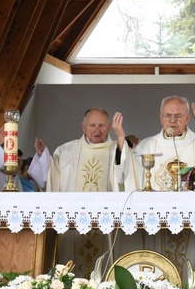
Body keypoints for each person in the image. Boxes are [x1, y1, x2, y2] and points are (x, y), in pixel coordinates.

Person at [116, 96, 195, 289]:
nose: (172, 121)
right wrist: (121, 141)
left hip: (193, 227)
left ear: (188, 118)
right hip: (158, 227)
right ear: (160, 117)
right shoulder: (147, 146)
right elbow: (127, 172)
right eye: (168, 116)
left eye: (178, 116)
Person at [29, 109, 129, 276]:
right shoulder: (66, 151)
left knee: (104, 269)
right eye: (92, 125)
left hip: (105, 226)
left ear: (109, 126)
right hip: (72, 228)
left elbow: (126, 173)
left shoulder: (116, 150)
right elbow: (51, 180)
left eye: (102, 125)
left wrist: (121, 139)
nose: (97, 130)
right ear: (83, 126)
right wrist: (43, 157)